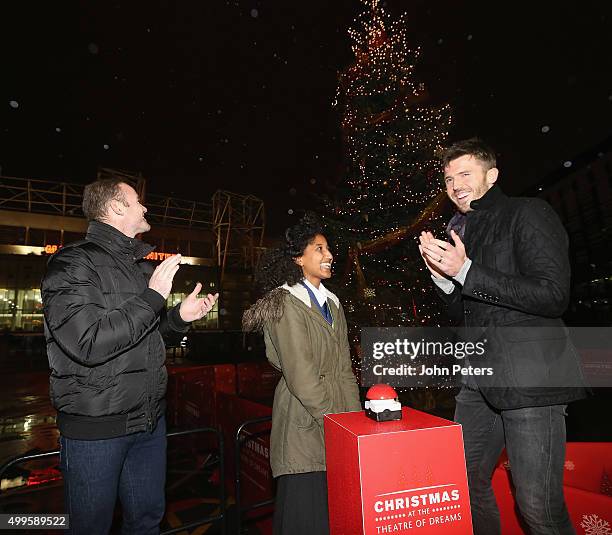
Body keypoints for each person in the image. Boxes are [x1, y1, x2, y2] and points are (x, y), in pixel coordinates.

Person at [418, 138, 586, 535]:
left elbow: (553, 295)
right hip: (476, 381)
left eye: (464, 173)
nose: (455, 184)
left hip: (530, 380)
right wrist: (446, 284)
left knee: (538, 508)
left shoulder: (527, 213)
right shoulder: (457, 229)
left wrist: (465, 272)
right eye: (447, 178)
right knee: (465, 482)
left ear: (491, 175)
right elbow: (469, 313)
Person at [41, 178, 218, 535]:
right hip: (96, 431)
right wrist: (153, 299)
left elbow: (146, 337)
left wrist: (178, 319)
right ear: (117, 207)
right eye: (138, 201)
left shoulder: (140, 269)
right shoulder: (73, 263)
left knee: (146, 522)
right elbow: (88, 344)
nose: (145, 208)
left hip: (149, 424)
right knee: (90, 528)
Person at [242, 214, 361, 535]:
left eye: (329, 249)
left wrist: (354, 422)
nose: (329, 255)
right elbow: (302, 377)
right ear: (298, 258)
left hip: (336, 423)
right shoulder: (285, 303)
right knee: (306, 517)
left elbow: (345, 370)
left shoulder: (333, 304)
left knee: (332, 516)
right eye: (319, 249)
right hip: (303, 425)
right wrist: (337, 425)